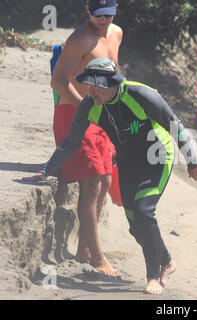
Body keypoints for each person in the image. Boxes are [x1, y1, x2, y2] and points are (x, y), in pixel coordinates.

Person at [18, 58, 197, 295]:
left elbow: (175, 125)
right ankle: (167, 262)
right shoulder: (89, 104)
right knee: (136, 226)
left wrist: (192, 162)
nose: (91, 90)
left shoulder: (141, 95)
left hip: (156, 156)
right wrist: (45, 170)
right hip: (127, 162)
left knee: (144, 210)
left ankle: (154, 276)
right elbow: (71, 142)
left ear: (112, 83)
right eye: (89, 85)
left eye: (96, 85)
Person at [50, 0, 122, 277]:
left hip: (102, 113)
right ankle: (97, 258)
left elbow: (115, 76)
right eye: (99, 14)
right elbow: (58, 81)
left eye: (110, 13)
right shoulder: (79, 39)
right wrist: (85, 109)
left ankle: (84, 248)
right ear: (87, 10)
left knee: (105, 180)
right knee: (91, 183)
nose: (104, 20)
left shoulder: (116, 33)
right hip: (75, 113)